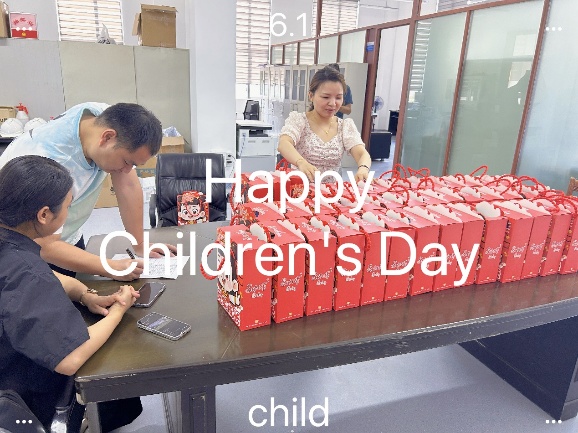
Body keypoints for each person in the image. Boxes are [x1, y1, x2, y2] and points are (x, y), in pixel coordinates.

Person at [0, 155, 142, 432]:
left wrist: (84, 294)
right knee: (111, 352)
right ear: (44, 215)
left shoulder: (13, 249)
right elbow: (69, 358)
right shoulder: (27, 272)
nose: (68, 212)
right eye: (67, 205)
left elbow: (42, 277)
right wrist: (118, 311)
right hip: (18, 383)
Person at [0, 102, 176, 281]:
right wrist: (111, 267)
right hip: (23, 246)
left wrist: (140, 244)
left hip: (66, 231)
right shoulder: (51, 166)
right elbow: (44, 244)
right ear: (107, 138)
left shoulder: (101, 116)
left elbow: (128, 185)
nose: (127, 170)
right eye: (126, 162)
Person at [278, 66, 372, 182]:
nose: (332, 103)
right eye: (326, 97)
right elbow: (284, 143)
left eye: (338, 98)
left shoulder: (344, 126)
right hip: (300, 188)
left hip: (331, 191)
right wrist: (301, 162)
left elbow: (362, 153)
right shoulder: (299, 120)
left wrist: (363, 168)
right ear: (311, 96)